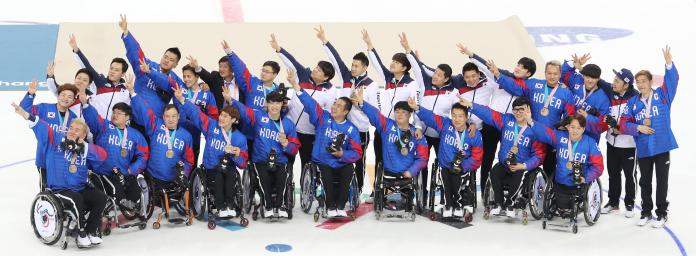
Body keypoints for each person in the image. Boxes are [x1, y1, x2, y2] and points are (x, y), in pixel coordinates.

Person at [13, 103, 107, 248]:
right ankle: (81, 234)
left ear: (83, 135)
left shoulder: (85, 149)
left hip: (80, 187)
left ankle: (91, 232)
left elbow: (102, 156)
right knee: (77, 199)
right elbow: (42, 127)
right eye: (71, 128)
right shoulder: (56, 140)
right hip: (59, 190)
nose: (72, 131)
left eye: (77, 130)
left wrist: (83, 147)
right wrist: (25, 115)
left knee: (101, 197)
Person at [455, 46, 534, 196]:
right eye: (518, 64)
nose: (518, 68)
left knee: (509, 158)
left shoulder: (527, 88)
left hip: (511, 126)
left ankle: (507, 190)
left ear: (528, 73)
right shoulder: (501, 76)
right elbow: (486, 66)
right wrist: (471, 54)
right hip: (491, 124)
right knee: (486, 159)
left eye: (523, 68)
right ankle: (484, 192)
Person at [287, 68, 362, 217]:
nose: (334, 107)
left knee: (348, 172)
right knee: (326, 175)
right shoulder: (323, 118)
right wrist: (296, 86)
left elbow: (357, 153)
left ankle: (340, 206)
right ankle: (330, 206)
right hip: (322, 161)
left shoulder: (351, 129)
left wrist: (342, 154)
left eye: (339, 106)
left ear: (346, 111)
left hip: (341, 162)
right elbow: (310, 103)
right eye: (335, 104)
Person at [620, 46, 678, 228]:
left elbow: (672, 81)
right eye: (638, 82)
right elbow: (623, 124)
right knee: (645, 181)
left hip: (661, 145)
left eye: (643, 81)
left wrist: (669, 64)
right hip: (644, 147)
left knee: (662, 181)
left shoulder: (662, 95)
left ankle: (661, 213)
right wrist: (638, 127)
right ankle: (646, 212)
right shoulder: (633, 102)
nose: (640, 85)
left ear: (651, 81)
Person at [399, 33, 461, 204]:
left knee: (444, 165)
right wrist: (407, 49)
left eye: (440, 75)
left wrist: (468, 124)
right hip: (422, 133)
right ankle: (421, 193)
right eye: (435, 73)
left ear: (447, 79)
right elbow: (417, 66)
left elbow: (460, 113)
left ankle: (446, 195)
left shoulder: (453, 93)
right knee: (421, 163)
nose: (435, 76)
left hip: (441, 135)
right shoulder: (425, 83)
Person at [317, 25, 377, 196]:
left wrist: (360, 103)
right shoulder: (346, 77)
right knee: (336, 156)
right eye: (352, 65)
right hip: (341, 127)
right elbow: (336, 59)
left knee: (357, 160)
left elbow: (373, 110)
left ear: (365, 67)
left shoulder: (371, 85)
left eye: (356, 66)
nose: (353, 68)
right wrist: (325, 41)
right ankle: (336, 187)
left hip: (360, 130)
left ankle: (356, 191)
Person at [491, 59, 576, 177]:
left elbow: (570, 117)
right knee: (525, 163)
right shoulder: (534, 84)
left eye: (555, 74)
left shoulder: (566, 93)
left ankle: (548, 190)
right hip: (529, 133)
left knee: (549, 168)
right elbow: (515, 86)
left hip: (548, 136)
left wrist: (560, 132)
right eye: (549, 73)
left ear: (560, 75)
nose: (552, 76)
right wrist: (499, 75)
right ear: (545, 73)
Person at [464, 97, 546, 217]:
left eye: (521, 109)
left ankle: (510, 204)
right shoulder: (507, 120)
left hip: (521, 166)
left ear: (528, 110)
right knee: (493, 173)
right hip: (504, 163)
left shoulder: (535, 129)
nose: (518, 112)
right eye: (515, 110)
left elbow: (539, 156)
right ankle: (498, 203)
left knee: (520, 175)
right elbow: (488, 113)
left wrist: (523, 166)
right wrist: (472, 105)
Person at [175, 87, 248, 218]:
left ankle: (230, 205)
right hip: (211, 169)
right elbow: (196, 114)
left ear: (233, 120)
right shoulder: (211, 126)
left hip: (228, 168)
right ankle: (220, 207)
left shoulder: (239, 138)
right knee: (219, 175)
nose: (221, 118)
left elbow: (243, 164)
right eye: (221, 115)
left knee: (231, 174)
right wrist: (182, 100)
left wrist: (238, 155)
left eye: (225, 116)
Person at [352, 89, 428, 212]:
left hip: (407, 172)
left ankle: (399, 197)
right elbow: (375, 115)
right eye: (397, 111)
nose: (400, 114)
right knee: (393, 198)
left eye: (404, 112)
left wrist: (412, 171)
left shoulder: (417, 134)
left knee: (404, 200)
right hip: (388, 171)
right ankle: (393, 197)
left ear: (410, 114)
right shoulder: (387, 125)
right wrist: (362, 103)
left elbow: (423, 157)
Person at [227, 89, 300, 218]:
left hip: (280, 160)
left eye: (277, 103)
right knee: (263, 178)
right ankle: (269, 206)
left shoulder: (288, 124)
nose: (274, 106)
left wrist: (287, 144)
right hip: (260, 159)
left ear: (281, 104)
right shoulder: (260, 117)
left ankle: (281, 205)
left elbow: (295, 148)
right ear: (267, 104)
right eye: (271, 103)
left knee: (282, 178)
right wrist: (231, 100)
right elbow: (245, 111)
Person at [126, 77, 195, 208]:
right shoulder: (156, 126)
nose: (170, 119)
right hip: (153, 180)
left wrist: (183, 175)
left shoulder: (186, 136)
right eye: (167, 116)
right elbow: (145, 111)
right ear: (163, 117)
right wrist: (133, 93)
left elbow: (189, 160)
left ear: (179, 117)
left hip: (173, 182)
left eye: (174, 116)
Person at [271, 33, 337, 169]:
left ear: (326, 77)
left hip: (310, 133)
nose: (315, 70)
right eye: (316, 67)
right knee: (286, 162)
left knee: (307, 165)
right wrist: (279, 49)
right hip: (291, 128)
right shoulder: (304, 74)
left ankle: (308, 189)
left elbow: (328, 114)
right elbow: (292, 62)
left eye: (319, 70)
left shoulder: (331, 91)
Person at [411, 98, 483, 218]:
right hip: (445, 165)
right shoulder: (446, 125)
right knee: (445, 174)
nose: (456, 119)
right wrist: (417, 108)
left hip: (463, 168)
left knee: (457, 177)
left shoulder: (474, 134)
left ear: (466, 118)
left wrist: (463, 166)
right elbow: (431, 117)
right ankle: (449, 204)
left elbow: (477, 158)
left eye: (460, 116)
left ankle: (459, 204)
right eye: (454, 115)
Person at [82, 90, 149, 214]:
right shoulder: (104, 126)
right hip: (104, 173)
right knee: (114, 187)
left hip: (124, 172)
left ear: (127, 117)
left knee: (134, 187)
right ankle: (123, 202)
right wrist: (86, 104)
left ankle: (132, 204)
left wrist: (131, 170)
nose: (115, 115)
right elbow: (93, 118)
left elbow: (143, 155)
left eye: (119, 113)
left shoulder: (136, 135)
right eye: (114, 112)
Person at [527, 113, 604, 214]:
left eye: (579, 128)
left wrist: (585, 178)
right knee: (562, 207)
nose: (575, 131)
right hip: (560, 182)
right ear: (567, 127)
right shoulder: (560, 137)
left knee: (568, 208)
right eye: (572, 127)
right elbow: (545, 133)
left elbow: (598, 166)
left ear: (583, 129)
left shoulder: (590, 143)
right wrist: (531, 122)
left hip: (579, 184)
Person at [220, 40, 282, 163]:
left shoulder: (279, 92)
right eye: (262, 70)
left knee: (261, 163)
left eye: (267, 71)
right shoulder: (253, 83)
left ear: (275, 74)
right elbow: (241, 70)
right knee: (243, 162)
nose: (263, 73)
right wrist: (230, 53)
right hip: (247, 130)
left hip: (265, 134)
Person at [119, 14, 187, 118]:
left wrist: (201, 85)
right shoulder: (146, 65)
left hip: (155, 123)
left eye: (171, 60)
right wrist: (126, 32)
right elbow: (135, 52)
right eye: (166, 57)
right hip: (135, 116)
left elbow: (188, 90)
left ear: (176, 65)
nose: (167, 61)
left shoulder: (175, 80)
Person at [20, 81, 79, 190]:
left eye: (70, 97)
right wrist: (30, 94)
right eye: (63, 95)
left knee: (62, 189)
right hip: (44, 157)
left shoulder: (73, 117)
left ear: (73, 100)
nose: (66, 98)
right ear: (58, 96)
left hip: (62, 160)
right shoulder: (44, 108)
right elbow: (24, 110)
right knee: (46, 188)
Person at [598, 67, 639, 217]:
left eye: (617, 81)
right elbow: (598, 80)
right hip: (611, 142)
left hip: (629, 145)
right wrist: (580, 68)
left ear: (626, 85)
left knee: (630, 175)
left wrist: (620, 128)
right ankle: (613, 202)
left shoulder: (636, 98)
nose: (613, 83)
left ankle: (629, 204)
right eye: (614, 80)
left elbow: (637, 122)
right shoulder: (611, 90)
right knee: (613, 173)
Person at [67, 34, 130, 120]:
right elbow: (87, 66)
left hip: (113, 129)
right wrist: (76, 50)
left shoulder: (126, 91)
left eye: (116, 70)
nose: (112, 71)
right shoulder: (100, 82)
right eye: (111, 68)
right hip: (95, 126)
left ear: (123, 74)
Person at [561, 53, 611, 141]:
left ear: (598, 79)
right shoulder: (577, 81)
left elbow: (603, 126)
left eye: (593, 78)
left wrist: (588, 117)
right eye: (587, 77)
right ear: (583, 75)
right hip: (567, 132)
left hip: (588, 139)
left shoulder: (604, 99)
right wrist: (574, 63)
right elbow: (562, 73)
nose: (590, 80)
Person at [180, 64, 219, 167]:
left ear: (197, 77)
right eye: (184, 76)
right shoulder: (180, 89)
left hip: (195, 137)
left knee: (191, 167)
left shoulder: (208, 95)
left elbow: (213, 117)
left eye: (189, 76)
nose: (186, 79)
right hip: (178, 135)